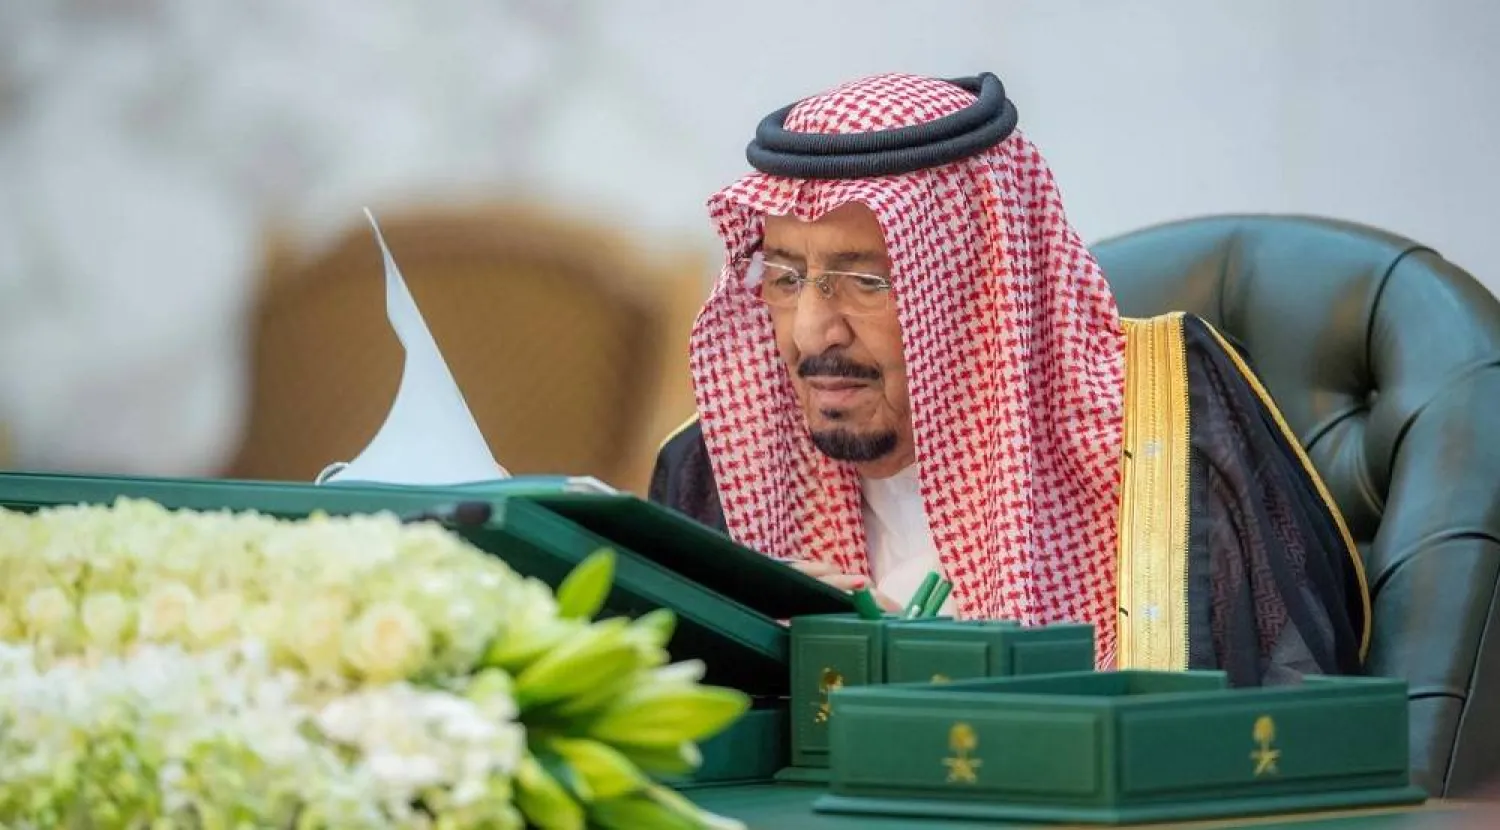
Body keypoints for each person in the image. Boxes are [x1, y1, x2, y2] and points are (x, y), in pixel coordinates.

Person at [648, 71, 1369, 687]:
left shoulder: (1163, 432)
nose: (811, 333)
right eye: (784, 277)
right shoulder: (713, 468)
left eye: (866, 281)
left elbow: (1271, 730)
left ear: (977, 285)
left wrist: (921, 669)